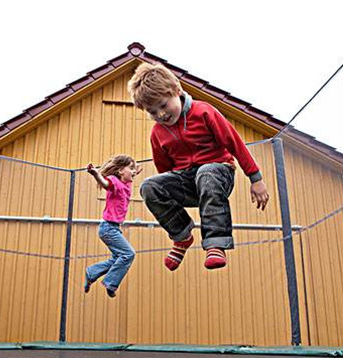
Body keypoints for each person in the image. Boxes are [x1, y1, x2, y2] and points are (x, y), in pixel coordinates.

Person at [127, 62, 269, 271]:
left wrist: (256, 179)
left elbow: (235, 143)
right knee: (149, 186)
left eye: (164, 105)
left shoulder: (203, 112)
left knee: (206, 173)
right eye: (152, 111)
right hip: (187, 180)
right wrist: (170, 196)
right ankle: (182, 236)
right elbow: (164, 170)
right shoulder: (157, 133)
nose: (161, 115)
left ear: (176, 90)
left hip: (219, 173)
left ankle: (215, 243)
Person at [84, 155, 142, 297]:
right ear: (121, 171)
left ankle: (92, 272)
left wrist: (134, 171)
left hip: (113, 228)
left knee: (117, 258)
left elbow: (129, 175)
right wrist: (95, 173)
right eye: (130, 169)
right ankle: (110, 283)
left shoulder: (126, 184)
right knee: (128, 254)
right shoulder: (115, 182)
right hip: (108, 228)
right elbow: (105, 183)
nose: (133, 172)